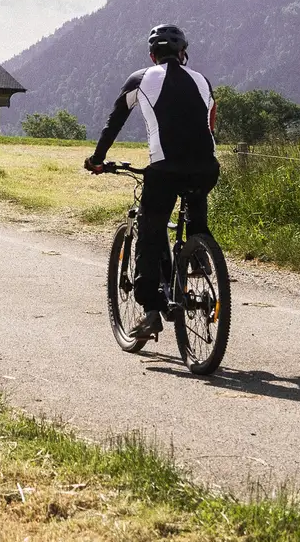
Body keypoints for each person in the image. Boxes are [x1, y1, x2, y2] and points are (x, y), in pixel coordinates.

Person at [84, 24, 219, 340]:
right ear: (182, 54)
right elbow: (210, 126)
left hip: (165, 170)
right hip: (206, 167)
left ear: (152, 54)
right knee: (196, 199)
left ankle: (151, 310)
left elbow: (112, 124)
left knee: (150, 229)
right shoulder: (202, 80)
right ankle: (200, 254)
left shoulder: (140, 79)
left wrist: (97, 159)